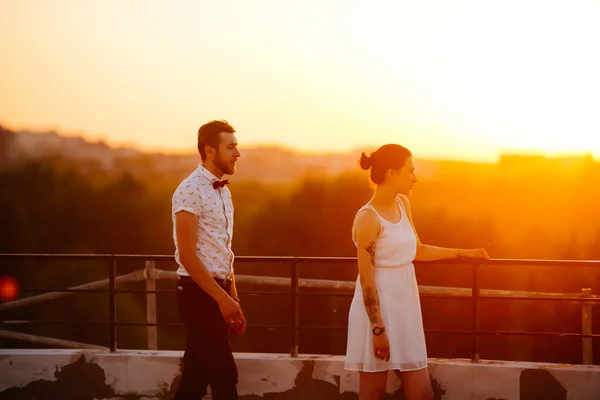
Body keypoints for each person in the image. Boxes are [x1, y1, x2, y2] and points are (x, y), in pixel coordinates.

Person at [344, 144, 489, 400]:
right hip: (378, 313)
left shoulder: (403, 203)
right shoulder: (368, 218)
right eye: (410, 171)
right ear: (391, 173)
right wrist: (378, 330)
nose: (415, 177)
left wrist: (463, 253)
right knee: (373, 393)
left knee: (421, 393)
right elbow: (367, 279)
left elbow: (417, 250)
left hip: (405, 308)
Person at [172, 120, 246, 400]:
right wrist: (222, 299)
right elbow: (188, 257)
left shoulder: (224, 191)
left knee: (195, 378)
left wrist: (233, 298)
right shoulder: (189, 190)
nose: (237, 153)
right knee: (225, 375)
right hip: (197, 294)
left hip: (218, 292)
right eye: (231, 147)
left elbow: (223, 251)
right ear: (210, 150)